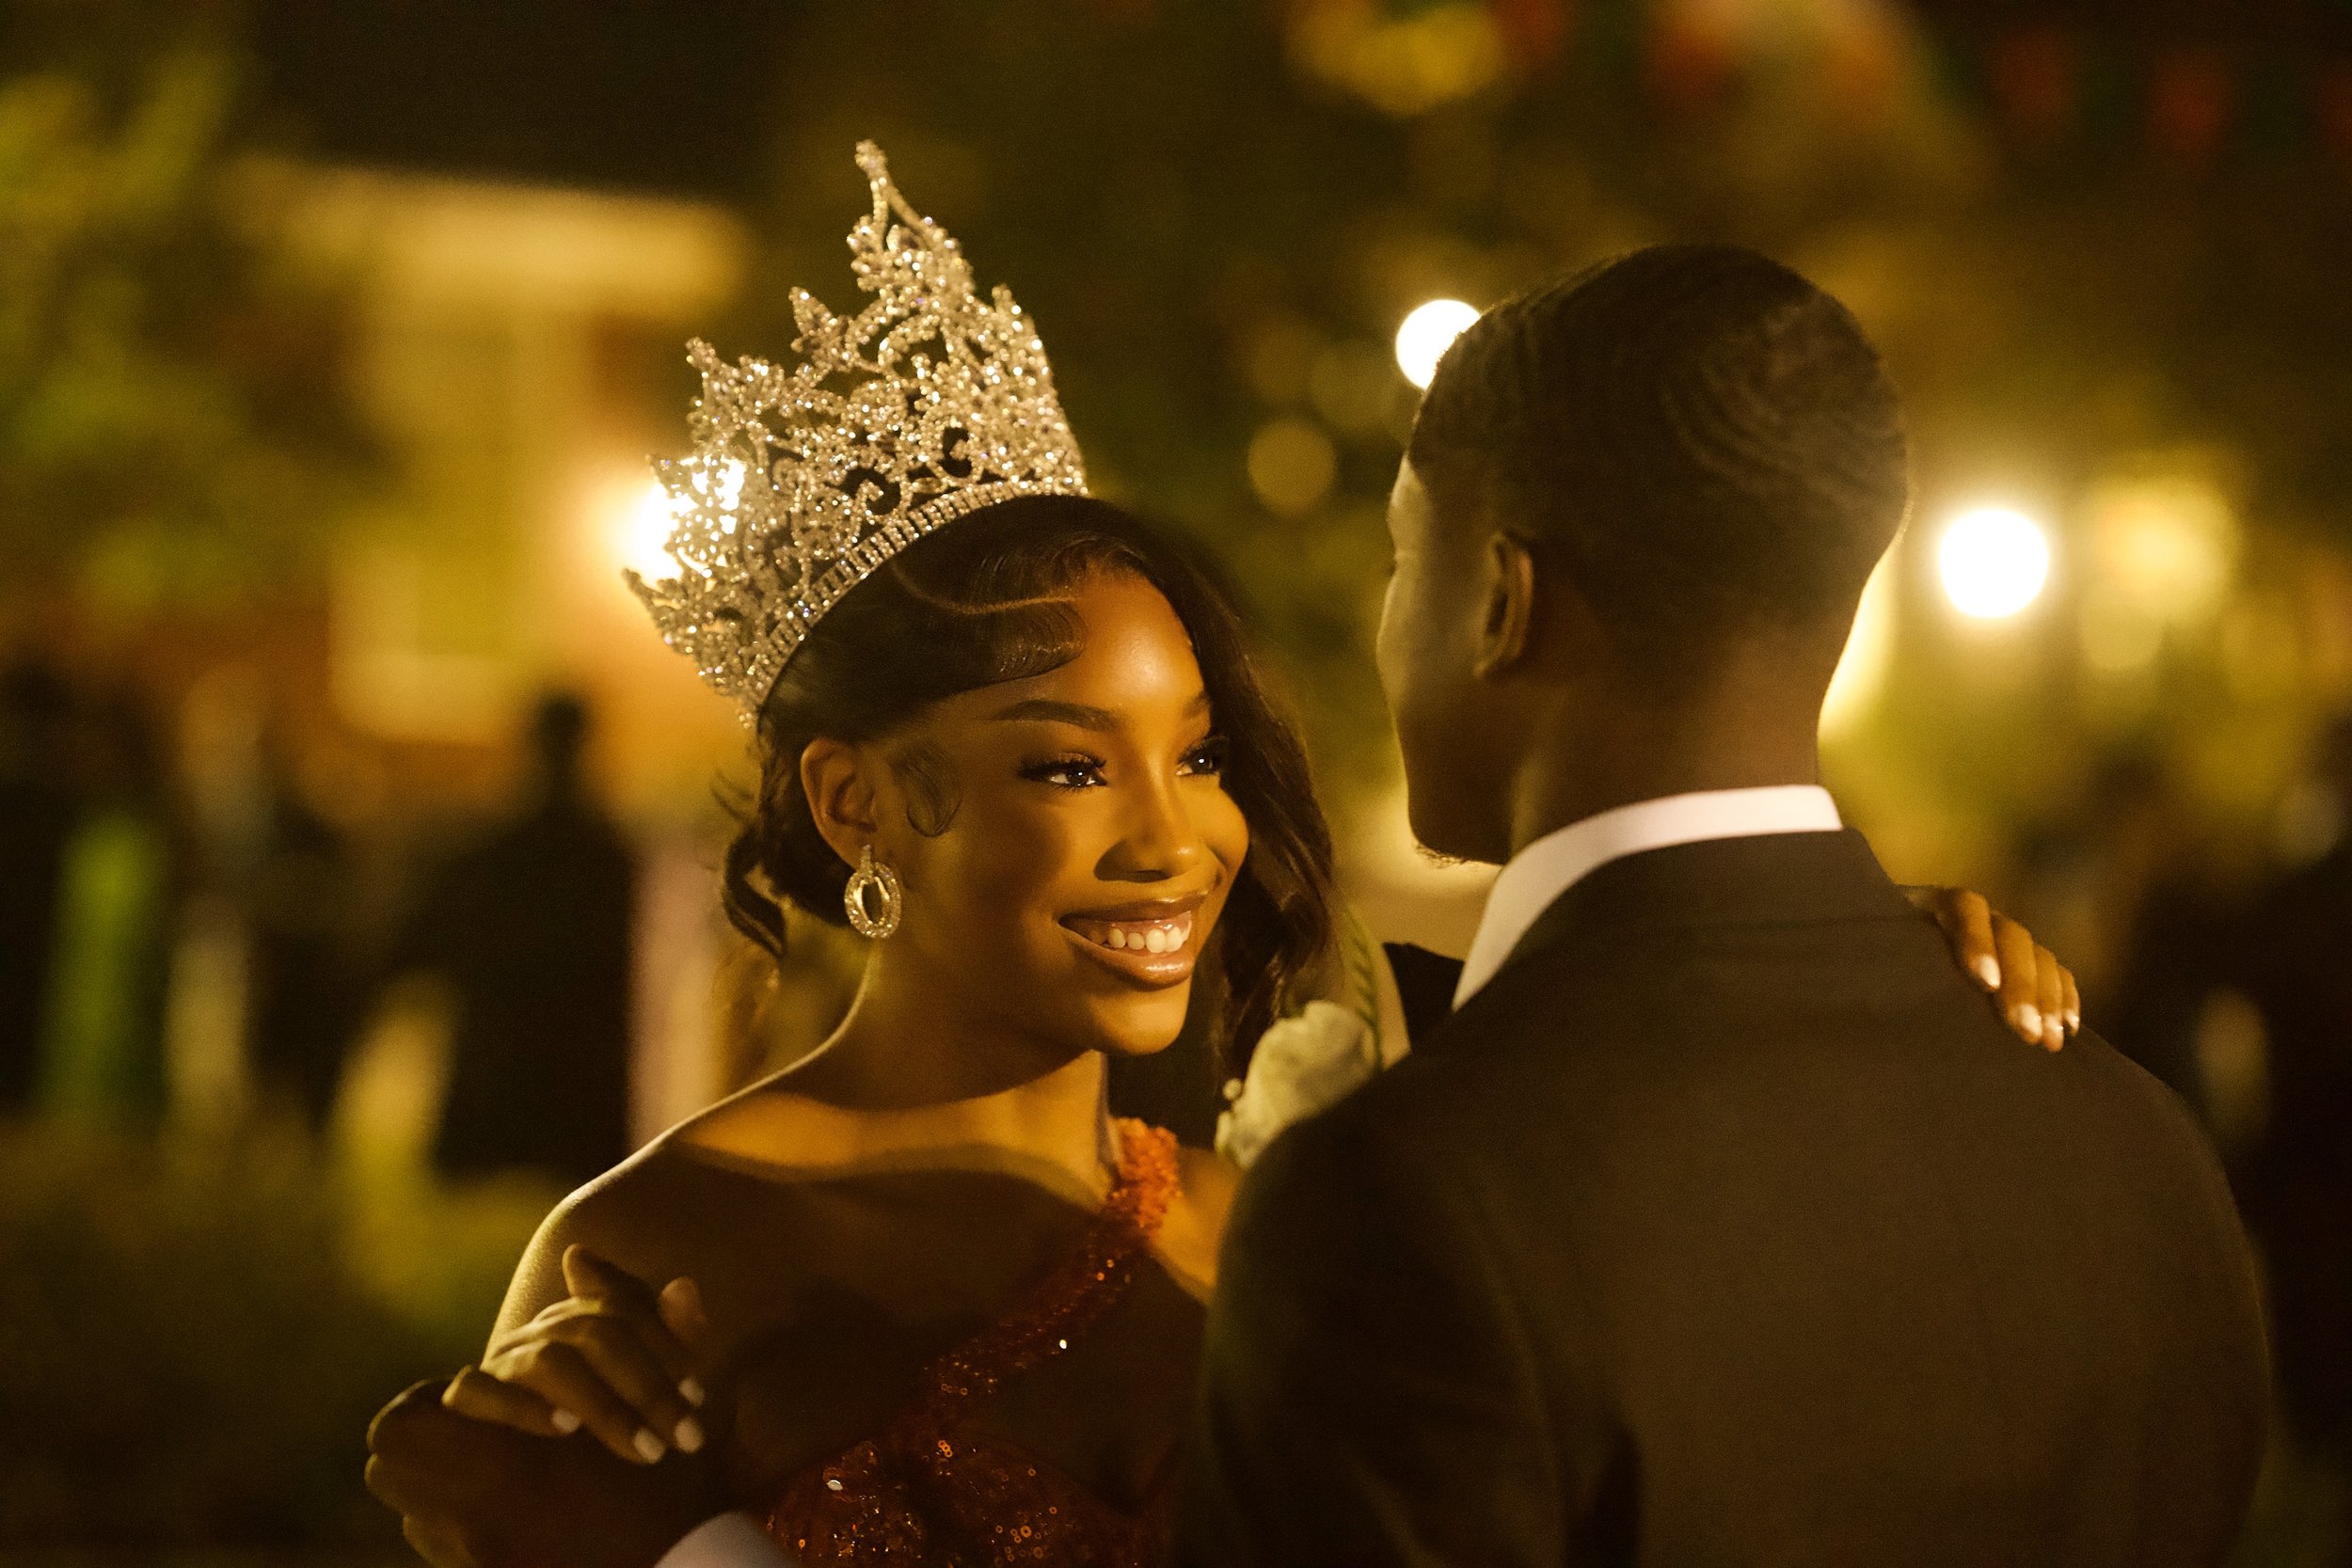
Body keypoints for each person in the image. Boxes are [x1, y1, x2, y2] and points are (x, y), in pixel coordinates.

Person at [362, 154, 2086, 1568]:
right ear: (855, 803)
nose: (1177, 835)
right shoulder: (654, 1266)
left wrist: (1843, 976)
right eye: (1066, 763)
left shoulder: (1294, 1212)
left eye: (1193, 752)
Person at [1177, 246, 2269, 1565]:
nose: (1388, 620)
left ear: (1504, 602)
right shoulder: (2142, 1148)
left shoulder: (1403, 1197)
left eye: (1409, 554)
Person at [386, 693, 638, 1188]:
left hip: (497, 1081)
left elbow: (421, 945)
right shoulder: (609, 857)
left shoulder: (488, 852)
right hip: (577, 1090)